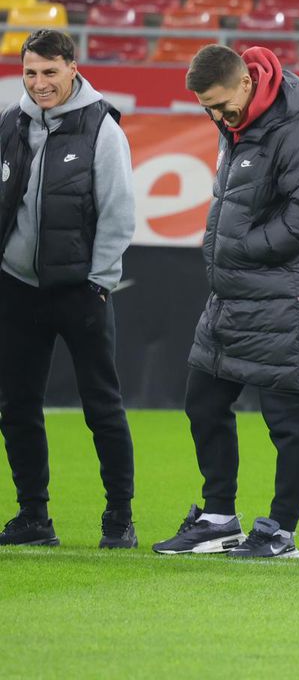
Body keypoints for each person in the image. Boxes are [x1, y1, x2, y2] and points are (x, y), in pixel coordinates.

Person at [153, 45, 299, 560]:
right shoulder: (236, 125)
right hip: (231, 298)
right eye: (206, 108)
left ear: (246, 83)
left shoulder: (292, 129)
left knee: (288, 421)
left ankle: (279, 532)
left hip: (284, 301)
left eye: (219, 104)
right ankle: (218, 518)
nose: (215, 115)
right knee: (203, 401)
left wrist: (249, 250)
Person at [0, 29, 136, 550]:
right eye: (31, 72)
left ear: (72, 69)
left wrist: (99, 282)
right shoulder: (11, 123)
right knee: (16, 407)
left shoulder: (102, 129)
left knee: (102, 406)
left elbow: (119, 215)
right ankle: (33, 516)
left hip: (81, 291)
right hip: (16, 289)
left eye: (50, 72)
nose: (40, 84)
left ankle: (119, 517)